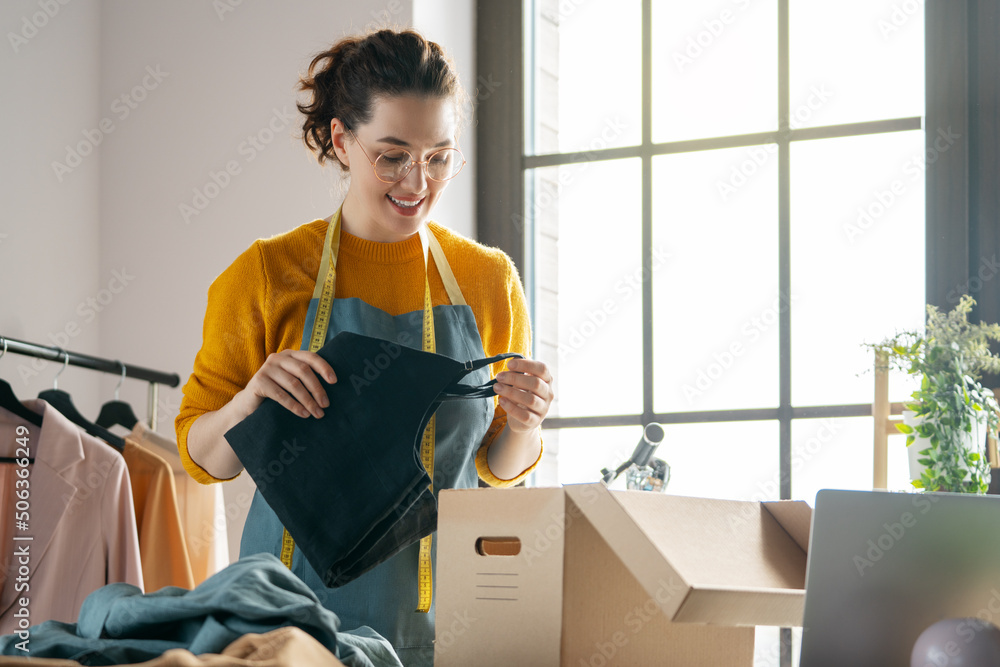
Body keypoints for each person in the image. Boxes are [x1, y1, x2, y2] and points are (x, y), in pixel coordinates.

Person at [174, 27, 552, 667]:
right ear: (341, 139)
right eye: (392, 154)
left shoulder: (489, 280)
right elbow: (202, 460)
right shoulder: (268, 274)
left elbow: (497, 467)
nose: (418, 181)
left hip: (450, 630)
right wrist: (246, 404)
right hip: (289, 636)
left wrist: (527, 422)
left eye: (439, 156)